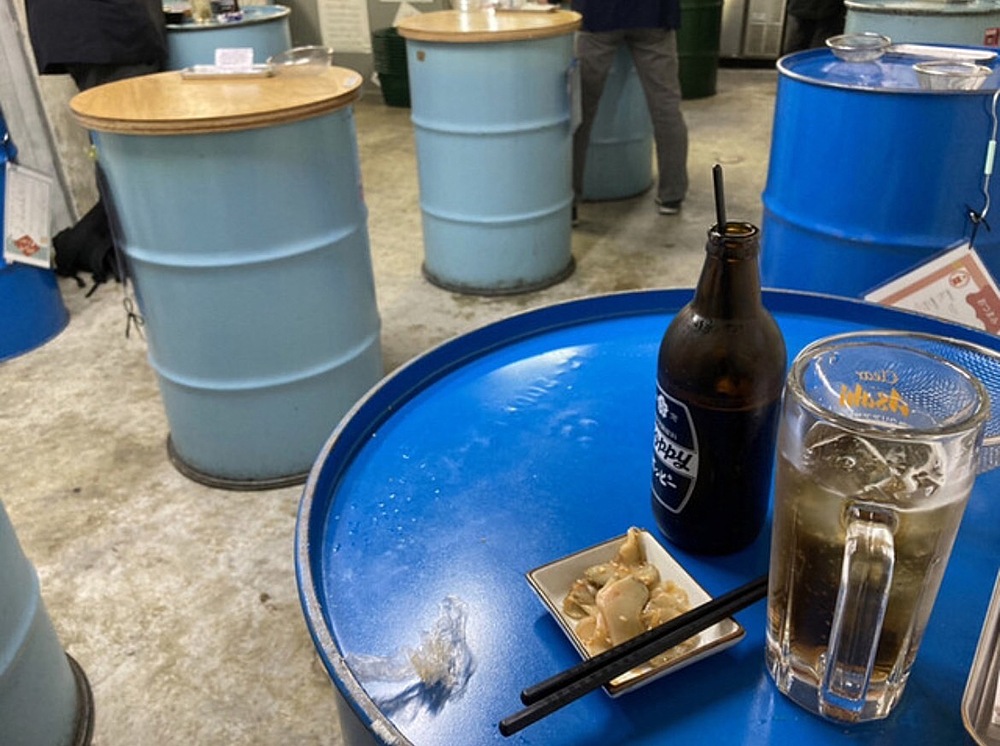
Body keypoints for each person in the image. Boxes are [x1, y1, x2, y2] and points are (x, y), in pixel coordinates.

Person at [23, 0, 168, 289]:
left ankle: (129, 248)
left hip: (91, 27)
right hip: (107, 26)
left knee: (120, 145)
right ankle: (148, 256)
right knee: (132, 148)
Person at [571, 0, 689, 218]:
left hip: (598, 15)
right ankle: (672, 195)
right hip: (654, 15)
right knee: (666, 107)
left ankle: (569, 201)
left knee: (580, 110)